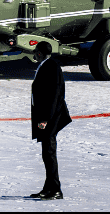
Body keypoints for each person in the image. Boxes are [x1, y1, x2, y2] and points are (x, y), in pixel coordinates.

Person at [30, 42, 71, 200]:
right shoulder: (47, 65)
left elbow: (53, 96)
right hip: (48, 116)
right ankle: (49, 187)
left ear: (40, 53)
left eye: (36, 52)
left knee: (50, 153)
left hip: (51, 117)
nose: (34, 54)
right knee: (47, 153)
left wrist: (45, 119)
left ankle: (55, 190)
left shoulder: (51, 67)